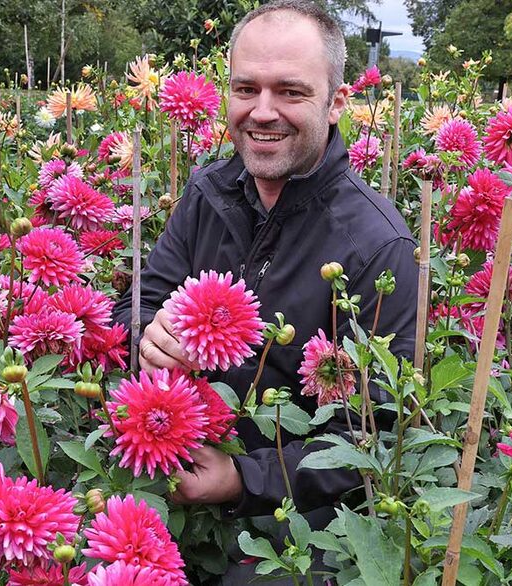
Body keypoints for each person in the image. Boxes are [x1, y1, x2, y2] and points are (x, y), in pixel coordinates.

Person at [113, 1, 418, 582]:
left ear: (336, 103)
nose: (263, 112)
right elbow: (144, 299)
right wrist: (149, 334)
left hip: (295, 522)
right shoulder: (209, 192)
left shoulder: (375, 246)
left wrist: (243, 479)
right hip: (169, 453)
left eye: (291, 91)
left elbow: (374, 436)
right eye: (246, 88)